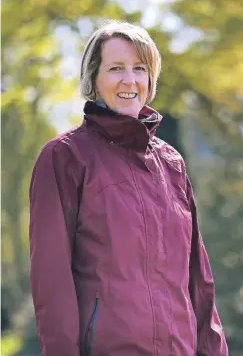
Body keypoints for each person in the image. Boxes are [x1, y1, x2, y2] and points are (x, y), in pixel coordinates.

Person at [29, 20, 228, 356]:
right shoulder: (65, 156)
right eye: (116, 68)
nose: (129, 80)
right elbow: (51, 280)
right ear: (93, 78)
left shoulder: (171, 163)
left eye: (140, 68)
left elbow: (199, 280)